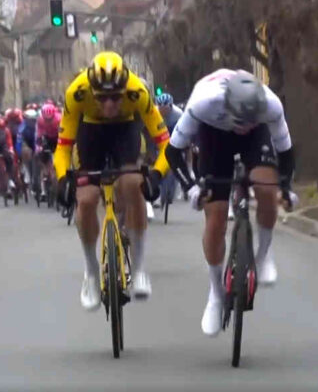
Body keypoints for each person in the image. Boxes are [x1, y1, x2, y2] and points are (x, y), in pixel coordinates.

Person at [165, 68, 298, 337]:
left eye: (250, 121)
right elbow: (173, 151)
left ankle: (263, 254)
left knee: (266, 189)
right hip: (214, 134)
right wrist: (191, 187)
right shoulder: (203, 103)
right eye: (241, 122)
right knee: (215, 217)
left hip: (256, 140)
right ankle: (215, 292)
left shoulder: (270, 105)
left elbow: (286, 152)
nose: (244, 126)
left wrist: (284, 188)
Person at [54, 51, 170, 310]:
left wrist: (156, 175)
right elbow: (63, 147)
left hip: (125, 130)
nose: (108, 105)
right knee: (86, 200)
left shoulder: (138, 92)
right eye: (102, 98)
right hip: (90, 131)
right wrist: (62, 179)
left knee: (133, 185)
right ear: (91, 91)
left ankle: (139, 269)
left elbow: (166, 145)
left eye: (116, 97)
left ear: (124, 89)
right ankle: (91, 273)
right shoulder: (77, 92)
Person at [155, 93, 184, 207]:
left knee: (174, 165)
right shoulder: (154, 112)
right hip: (160, 133)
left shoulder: (178, 114)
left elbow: (182, 133)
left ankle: (171, 191)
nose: (163, 111)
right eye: (161, 108)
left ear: (171, 106)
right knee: (158, 164)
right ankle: (158, 195)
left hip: (174, 133)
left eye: (165, 108)